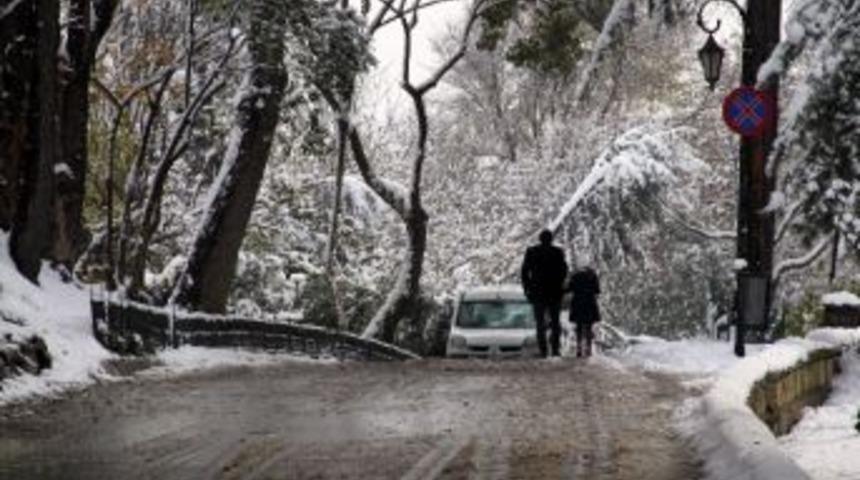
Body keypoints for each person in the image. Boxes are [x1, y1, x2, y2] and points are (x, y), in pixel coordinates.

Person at [520, 229, 568, 358]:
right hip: (554, 292)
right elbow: (564, 271)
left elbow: (524, 272)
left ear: (540, 239)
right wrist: (559, 285)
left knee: (540, 323)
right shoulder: (557, 252)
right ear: (551, 239)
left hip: (538, 292)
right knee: (555, 322)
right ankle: (555, 350)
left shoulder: (532, 251)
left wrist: (527, 289)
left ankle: (543, 351)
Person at [568, 265, 601, 358]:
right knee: (589, 327)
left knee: (579, 326)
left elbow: (570, 288)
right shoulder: (592, 275)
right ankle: (588, 348)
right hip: (589, 303)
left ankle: (579, 348)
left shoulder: (575, 276)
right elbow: (597, 290)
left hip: (578, 303)